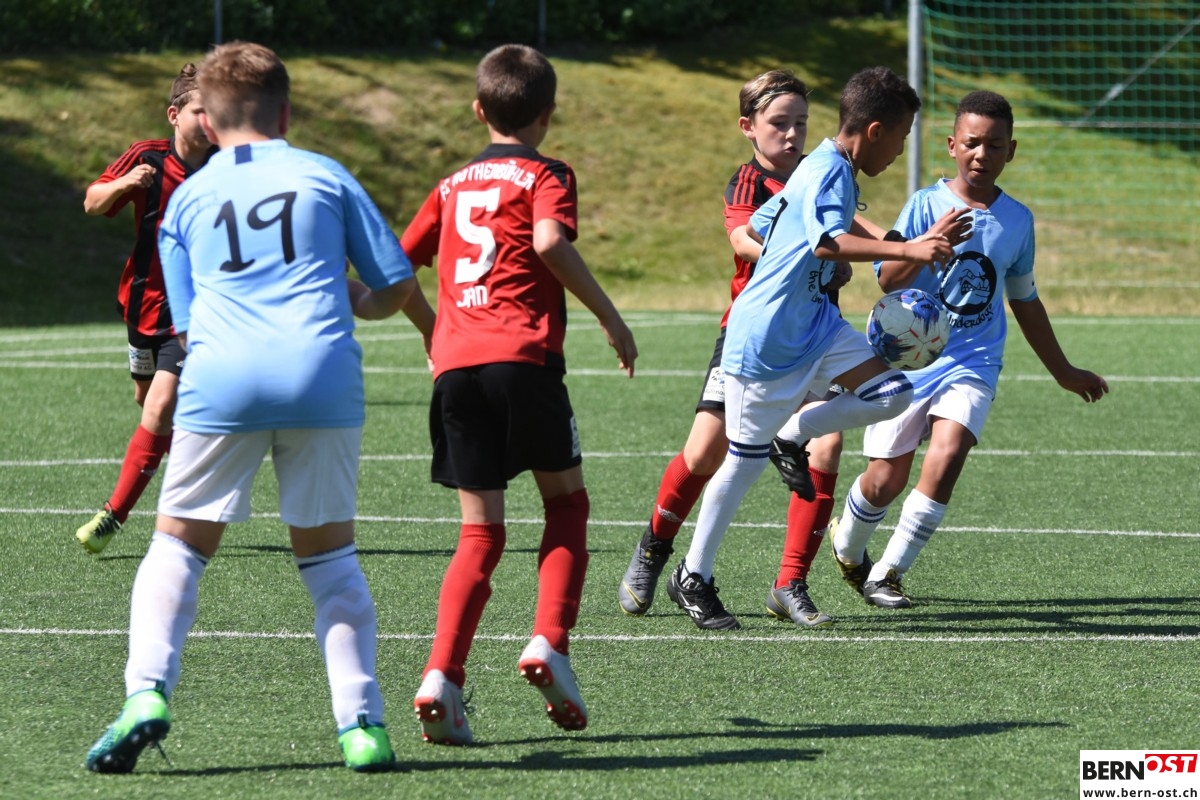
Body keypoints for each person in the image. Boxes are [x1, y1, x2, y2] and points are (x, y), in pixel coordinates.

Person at [83, 41, 417, 774]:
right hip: (320, 376)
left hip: (223, 377)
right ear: (285, 113)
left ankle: (145, 694)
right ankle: (361, 726)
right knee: (330, 561)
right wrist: (358, 300)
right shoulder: (325, 175)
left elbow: (186, 326)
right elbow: (394, 283)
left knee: (177, 547)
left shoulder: (188, 198)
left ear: (207, 120)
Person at [665, 65, 969, 630]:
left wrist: (818, 256)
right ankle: (692, 575)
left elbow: (766, 222)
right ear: (875, 131)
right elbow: (826, 242)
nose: (901, 151)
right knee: (740, 465)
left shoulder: (823, 169)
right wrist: (915, 251)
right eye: (902, 137)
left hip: (818, 326)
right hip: (769, 336)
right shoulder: (827, 169)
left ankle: (793, 433)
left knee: (892, 391)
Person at [400, 43, 637, 746]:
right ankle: (549, 642)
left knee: (480, 532)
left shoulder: (450, 184)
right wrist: (610, 316)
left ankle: (441, 675)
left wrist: (435, 331)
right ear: (548, 113)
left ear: (479, 110)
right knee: (566, 504)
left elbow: (394, 270)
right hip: (523, 363)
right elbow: (549, 242)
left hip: (456, 371)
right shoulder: (545, 173)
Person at [829, 90, 1109, 608]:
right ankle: (847, 545)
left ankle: (887, 573)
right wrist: (927, 243)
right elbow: (888, 281)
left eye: (995, 145)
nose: (982, 154)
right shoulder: (924, 205)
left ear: (1011, 151)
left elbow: (1024, 300)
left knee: (950, 450)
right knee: (885, 480)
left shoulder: (1018, 220)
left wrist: (1063, 370)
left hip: (973, 361)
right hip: (910, 361)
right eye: (973, 143)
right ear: (952, 145)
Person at [616, 69, 846, 629]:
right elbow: (743, 239)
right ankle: (654, 549)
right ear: (748, 127)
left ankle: (790, 583)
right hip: (753, 337)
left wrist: (891, 250)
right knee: (704, 454)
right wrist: (805, 252)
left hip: (816, 332)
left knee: (827, 443)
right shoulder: (747, 183)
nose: (791, 134)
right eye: (779, 123)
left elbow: (852, 232)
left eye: (801, 123)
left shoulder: (820, 173)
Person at [75, 64, 217, 555]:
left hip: (196, 312)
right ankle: (204, 467)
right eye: (201, 111)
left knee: (159, 405)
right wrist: (126, 184)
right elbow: (92, 203)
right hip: (143, 307)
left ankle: (112, 515)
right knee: (146, 401)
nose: (210, 121)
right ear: (174, 115)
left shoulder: (228, 165)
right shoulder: (147, 157)